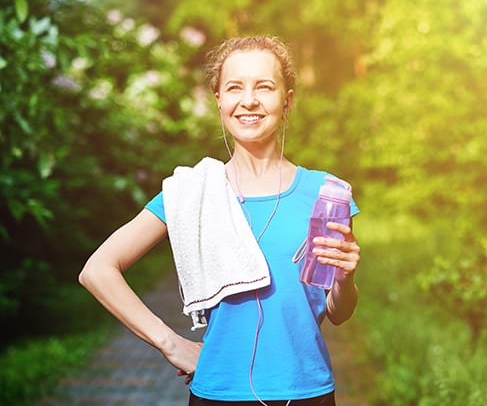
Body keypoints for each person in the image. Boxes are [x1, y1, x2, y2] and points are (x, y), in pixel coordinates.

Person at [78, 36, 361, 406]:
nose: (249, 100)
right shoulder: (191, 193)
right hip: (216, 394)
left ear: (287, 100)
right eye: (234, 88)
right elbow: (97, 270)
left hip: (307, 391)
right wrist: (171, 343)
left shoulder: (325, 193)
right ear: (219, 101)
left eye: (265, 86)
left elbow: (339, 313)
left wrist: (346, 278)